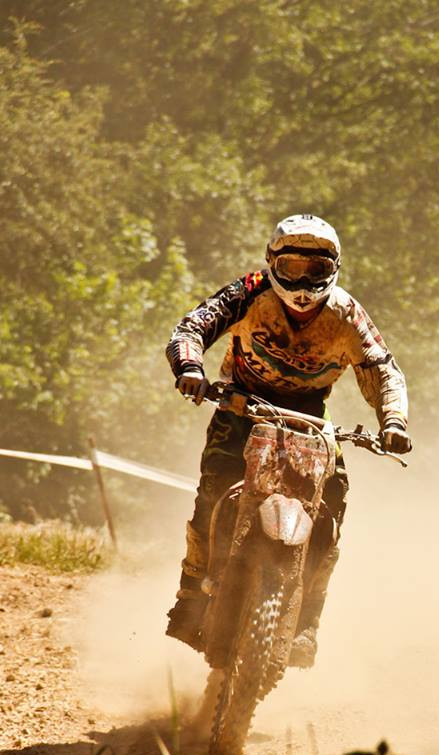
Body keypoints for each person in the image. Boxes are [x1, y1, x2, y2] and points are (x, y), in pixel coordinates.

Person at [165, 213, 411, 666]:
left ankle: (308, 621)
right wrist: (190, 368)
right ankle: (191, 596)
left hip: (311, 417)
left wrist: (393, 421)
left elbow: (383, 369)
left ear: (333, 269)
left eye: (315, 269)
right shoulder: (249, 292)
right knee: (212, 491)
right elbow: (192, 327)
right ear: (272, 262)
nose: (302, 282)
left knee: (333, 504)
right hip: (242, 406)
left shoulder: (346, 313)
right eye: (292, 267)